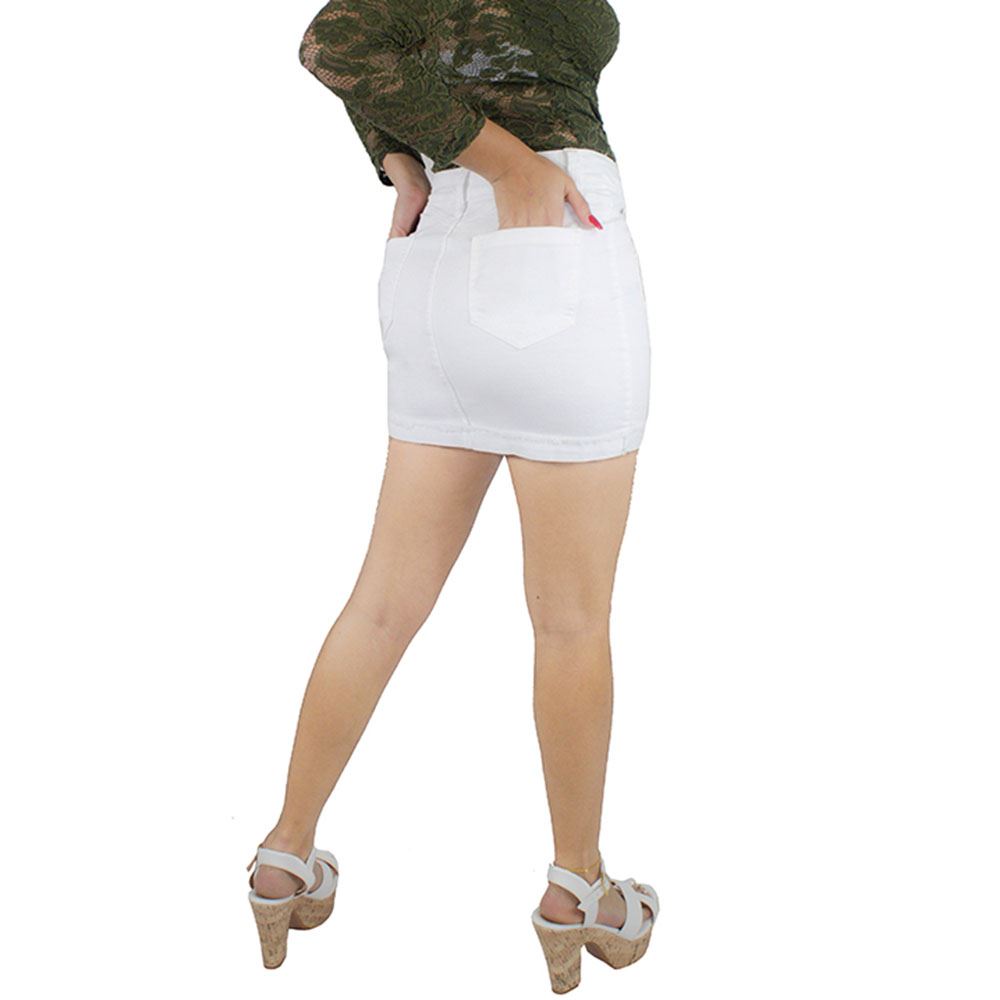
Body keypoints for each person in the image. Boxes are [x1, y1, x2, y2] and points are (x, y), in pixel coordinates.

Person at [245, 1, 658, 990]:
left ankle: (284, 857)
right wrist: (513, 166)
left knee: (382, 604)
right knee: (570, 619)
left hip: (434, 254)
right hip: (552, 235)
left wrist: (399, 159)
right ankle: (579, 885)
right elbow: (336, 41)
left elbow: (370, 39)